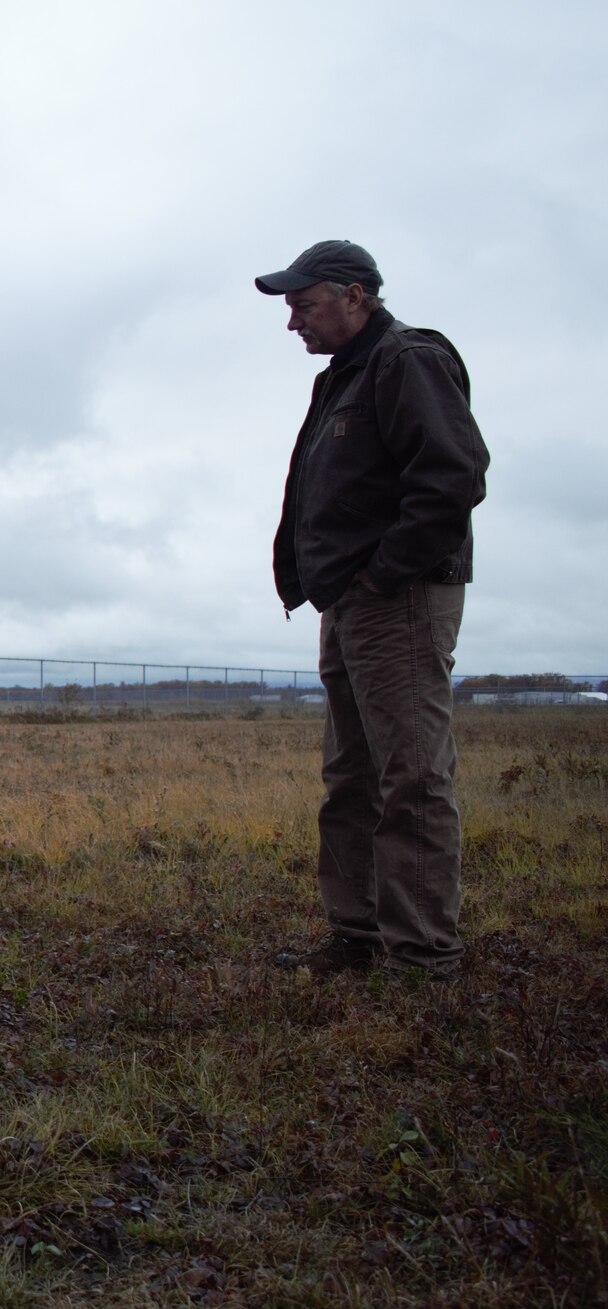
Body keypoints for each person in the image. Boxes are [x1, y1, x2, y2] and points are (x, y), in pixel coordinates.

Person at [256, 241, 490, 980]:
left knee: (411, 778)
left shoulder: (406, 359)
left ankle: (423, 958)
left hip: (398, 600)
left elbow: (452, 475)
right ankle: (358, 938)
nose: (293, 320)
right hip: (352, 603)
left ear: (355, 295)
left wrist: (385, 576)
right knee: (352, 779)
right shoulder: (345, 378)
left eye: (303, 303)